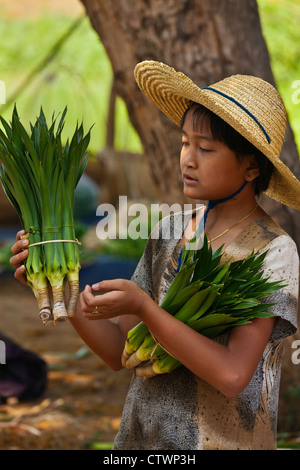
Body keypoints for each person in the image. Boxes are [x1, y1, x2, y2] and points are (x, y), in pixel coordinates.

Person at [10, 61, 300, 450]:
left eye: (206, 149)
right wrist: (58, 288)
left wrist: (147, 309)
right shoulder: (170, 231)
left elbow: (233, 375)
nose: (188, 159)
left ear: (251, 167)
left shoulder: (272, 251)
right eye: (184, 143)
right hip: (141, 440)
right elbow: (120, 350)